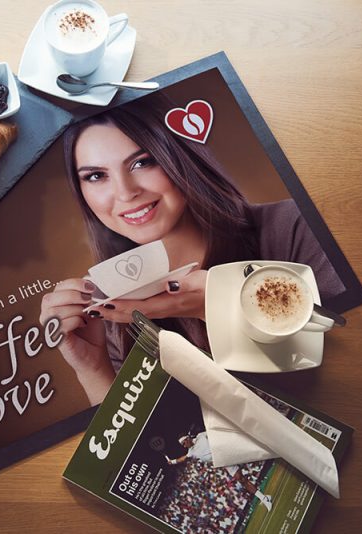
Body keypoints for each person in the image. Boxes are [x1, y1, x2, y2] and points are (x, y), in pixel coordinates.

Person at [39, 92, 345, 404]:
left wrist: (215, 308)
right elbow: (149, 447)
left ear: (179, 155)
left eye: (142, 162)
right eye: (96, 176)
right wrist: (92, 369)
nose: (125, 192)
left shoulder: (293, 227)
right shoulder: (114, 313)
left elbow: (344, 375)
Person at [165, 431, 273, 512]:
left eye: (184, 443)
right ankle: (264, 498)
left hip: (227, 451)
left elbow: (214, 432)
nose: (184, 446)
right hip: (223, 462)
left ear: (188, 439)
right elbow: (182, 458)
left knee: (251, 451)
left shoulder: (201, 436)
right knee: (241, 479)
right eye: (182, 445)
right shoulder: (190, 452)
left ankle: (270, 443)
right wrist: (172, 461)